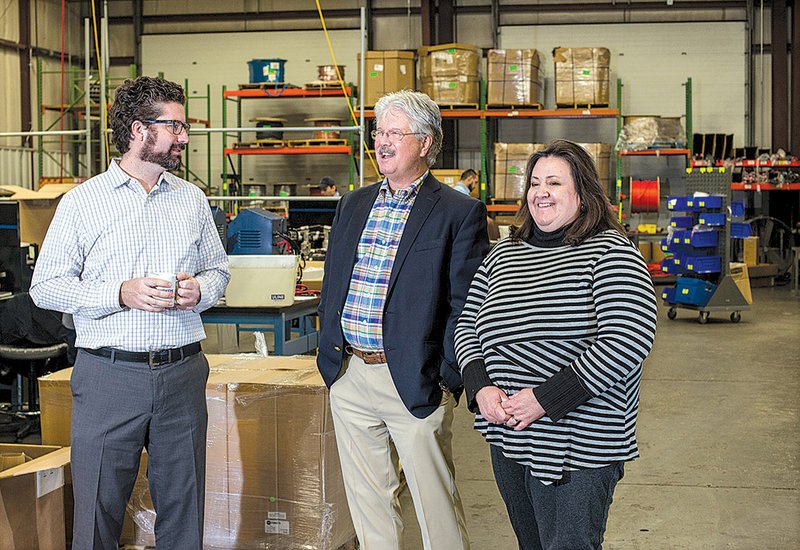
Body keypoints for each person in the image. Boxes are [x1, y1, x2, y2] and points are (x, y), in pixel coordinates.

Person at [30, 76, 230, 549]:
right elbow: (46, 287)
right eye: (175, 127)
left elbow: (218, 271)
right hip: (109, 375)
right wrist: (120, 293)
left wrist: (199, 290)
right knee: (98, 508)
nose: (184, 137)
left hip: (182, 372)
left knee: (184, 509)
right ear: (140, 130)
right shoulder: (83, 202)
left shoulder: (191, 199)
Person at [454, 139, 657, 550]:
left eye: (554, 183)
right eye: (533, 183)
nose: (540, 192)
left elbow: (627, 339)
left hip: (579, 444)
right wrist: (480, 388)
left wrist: (545, 399)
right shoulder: (503, 255)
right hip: (510, 437)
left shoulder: (610, 251)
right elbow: (467, 328)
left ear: (582, 193)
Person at [317, 89, 489, 550]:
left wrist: (446, 378)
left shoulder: (458, 212)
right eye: (379, 131)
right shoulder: (352, 204)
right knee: (369, 505)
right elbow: (335, 284)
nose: (383, 141)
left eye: (396, 132)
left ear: (427, 143)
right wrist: (331, 362)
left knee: (436, 506)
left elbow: (467, 304)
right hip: (350, 374)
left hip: (413, 379)